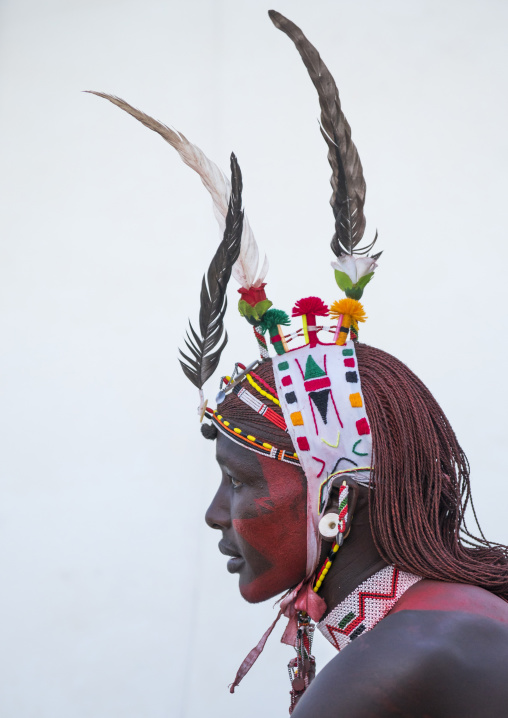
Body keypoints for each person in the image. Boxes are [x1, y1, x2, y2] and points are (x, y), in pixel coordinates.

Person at [91, 10, 508, 717]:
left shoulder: (403, 660)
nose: (214, 514)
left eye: (238, 480)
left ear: (337, 498)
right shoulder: (453, 617)